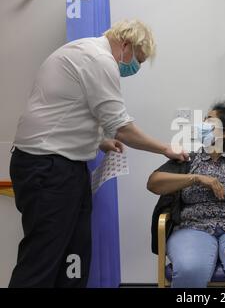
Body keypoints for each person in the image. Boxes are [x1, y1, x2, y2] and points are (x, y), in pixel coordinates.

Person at [9, 20, 188, 288]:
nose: (134, 68)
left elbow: (71, 110)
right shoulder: (98, 60)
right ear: (126, 45)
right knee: (43, 257)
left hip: (63, 166)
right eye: (137, 60)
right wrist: (165, 148)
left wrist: (101, 142)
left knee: (74, 254)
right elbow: (123, 129)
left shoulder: (81, 51)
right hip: (48, 166)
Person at [147, 103, 225, 288]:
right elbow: (153, 183)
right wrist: (196, 178)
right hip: (192, 228)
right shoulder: (187, 159)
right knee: (190, 270)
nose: (202, 124)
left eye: (208, 120)